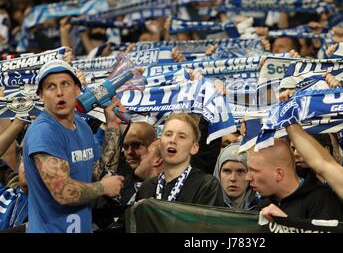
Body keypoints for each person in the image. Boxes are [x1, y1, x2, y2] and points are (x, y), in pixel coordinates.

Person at [23, 60, 125, 233]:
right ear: (41, 95)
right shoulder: (43, 132)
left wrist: (113, 126)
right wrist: (103, 188)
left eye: (65, 84)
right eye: (51, 87)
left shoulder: (81, 126)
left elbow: (100, 172)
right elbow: (63, 192)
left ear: (77, 90)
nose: (60, 93)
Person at [246, 139, 343, 221]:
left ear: (279, 174)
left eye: (254, 170)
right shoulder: (264, 205)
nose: (247, 177)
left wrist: (287, 225)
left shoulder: (322, 200)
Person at [136, 113, 223, 206]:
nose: (172, 140)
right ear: (160, 143)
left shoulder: (206, 185)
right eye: (168, 134)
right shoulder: (146, 187)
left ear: (194, 148)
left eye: (181, 136)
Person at [213, 143, 259, 210]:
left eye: (240, 171)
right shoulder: (204, 205)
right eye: (227, 171)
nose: (233, 178)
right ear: (218, 173)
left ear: (250, 175)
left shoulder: (263, 209)